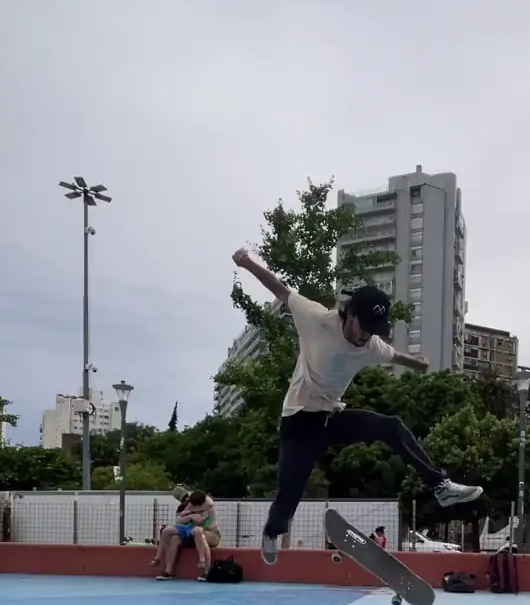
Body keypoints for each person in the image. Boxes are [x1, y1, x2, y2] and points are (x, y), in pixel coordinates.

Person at [231, 247, 484, 565]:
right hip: (298, 420)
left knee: (391, 426)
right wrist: (247, 263)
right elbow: (281, 290)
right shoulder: (316, 319)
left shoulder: (372, 345)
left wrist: (417, 363)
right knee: (291, 489)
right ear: (348, 314)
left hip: (331, 418)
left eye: (374, 331)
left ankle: (440, 486)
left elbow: (394, 354)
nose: (367, 336)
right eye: (364, 327)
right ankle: (272, 531)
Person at [152, 488, 220, 580]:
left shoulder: (206, 505)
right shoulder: (183, 508)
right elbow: (178, 522)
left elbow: (212, 523)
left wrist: (198, 519)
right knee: (174, 538)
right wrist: (190, 516)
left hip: (209, 533)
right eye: (183, 499)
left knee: (201, 536)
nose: (186, 500)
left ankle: (206, 571)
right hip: (190, 533)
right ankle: (168, 571)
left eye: (187, 497)